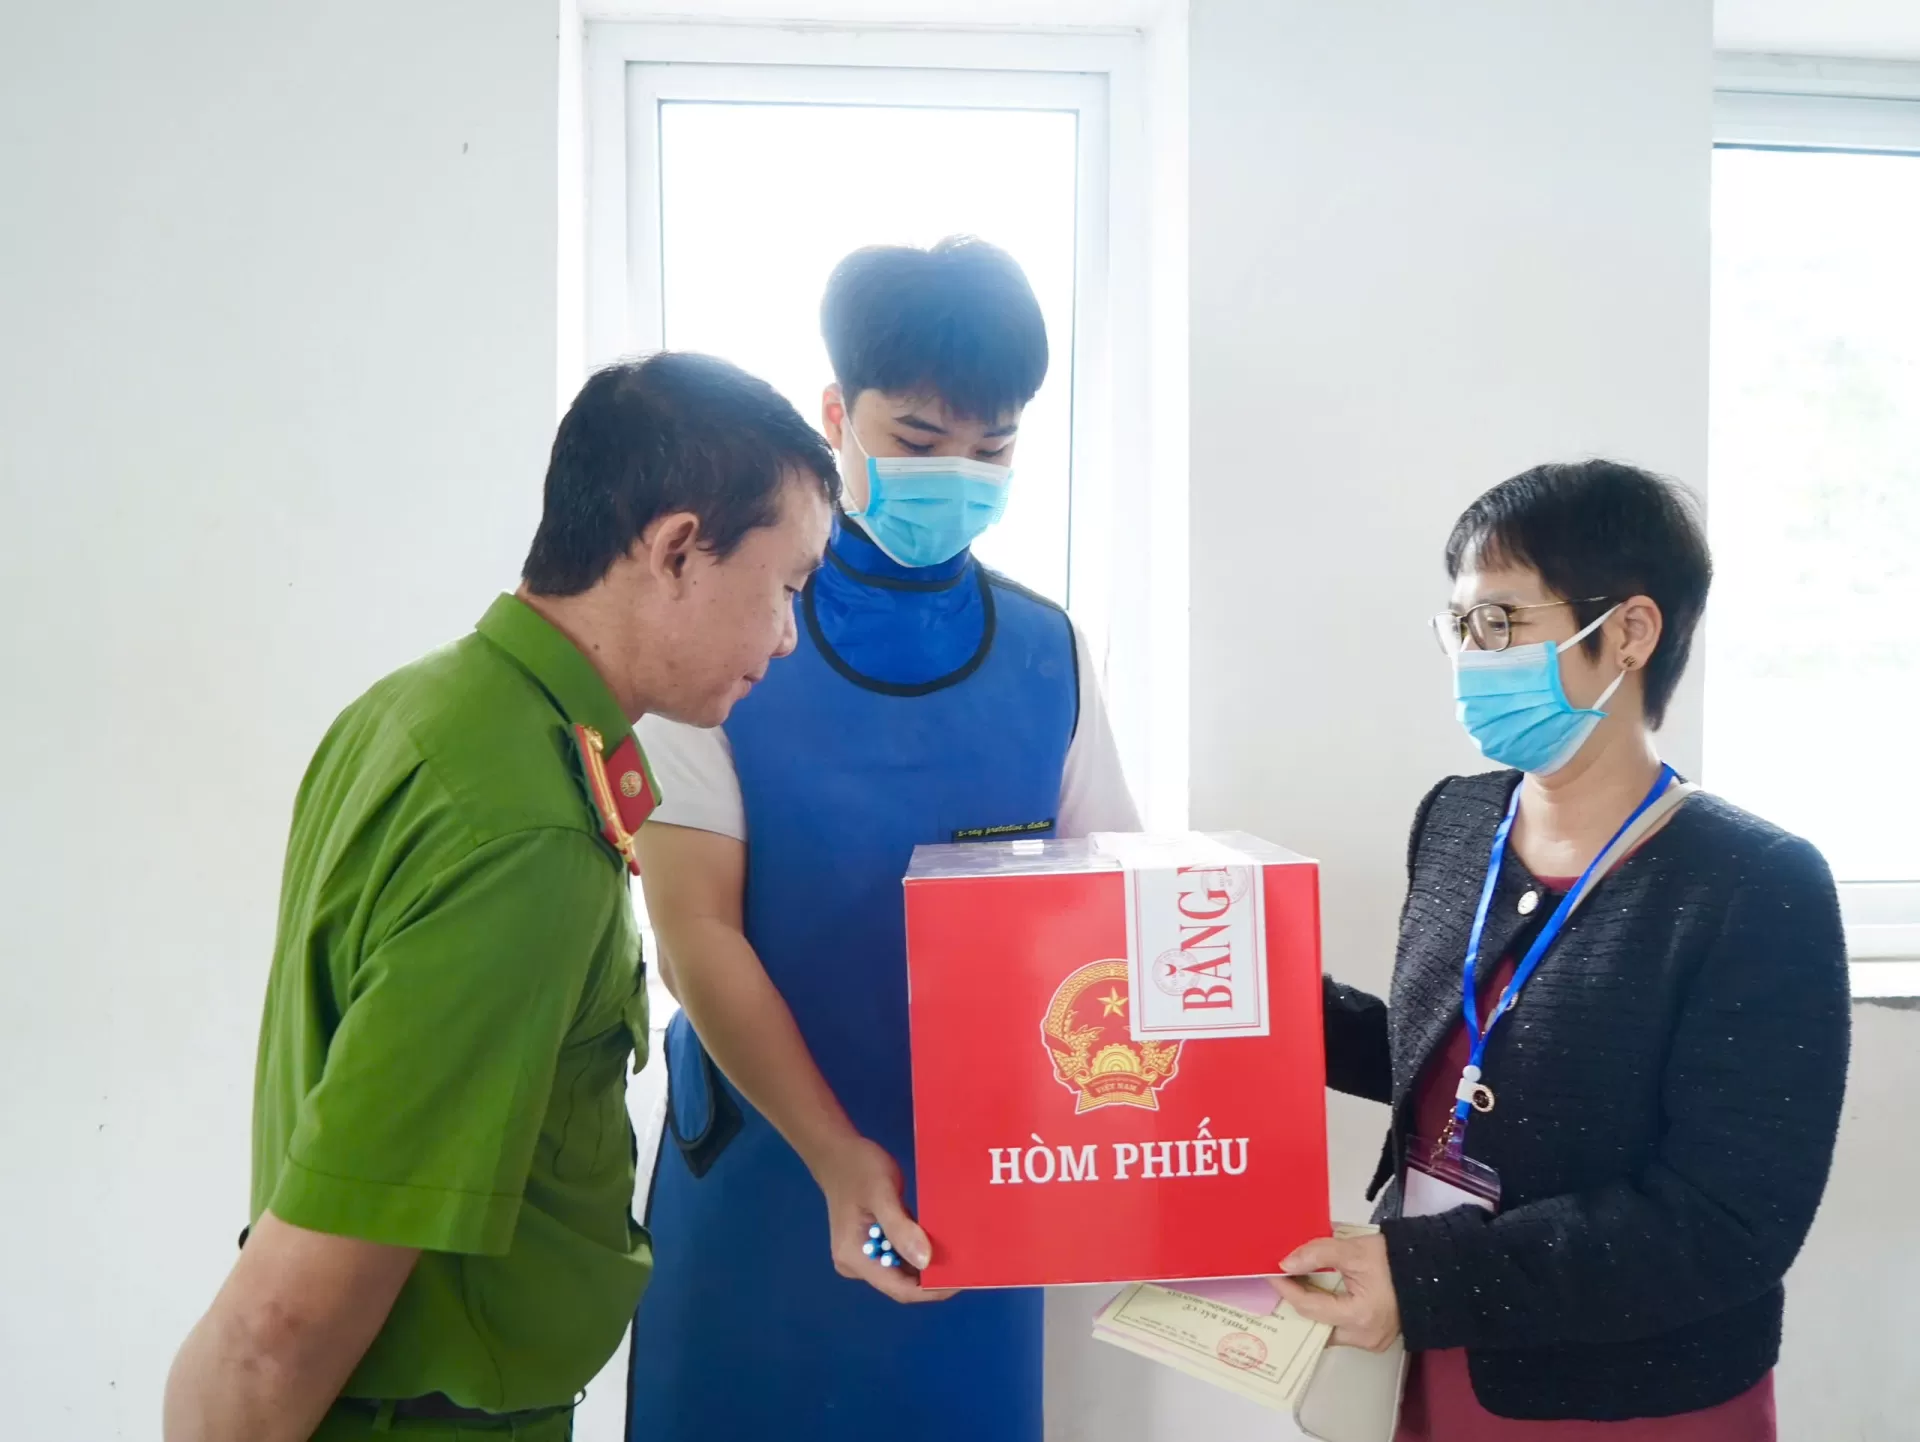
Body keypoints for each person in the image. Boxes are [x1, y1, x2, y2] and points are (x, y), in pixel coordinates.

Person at [162, 353, 838, 1442]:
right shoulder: (528, 828)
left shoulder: (421, 710)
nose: (787, 635)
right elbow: (276, 1324)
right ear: (675, 548)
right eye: (788, 584)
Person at [625, 237, 1140, 1441]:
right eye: (917, 441)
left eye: (993, 447)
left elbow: (1111, 915)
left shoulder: (1046, 650)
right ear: (834, 417)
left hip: (980, 1192)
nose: (957, 472)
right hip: (761, 1163)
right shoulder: (726, 632)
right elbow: (693, 928)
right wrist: (834, 1151)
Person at [1275, 460, 1850, 1440]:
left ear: (1628, 631)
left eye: (1500, 622)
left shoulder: (1754, 882)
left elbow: (1725, 1221)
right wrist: (1254, 1006)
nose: (1469, 652)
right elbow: (1449, 1058)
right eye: (1458, 623)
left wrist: (1427, 1275)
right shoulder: (1460, 820)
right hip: (1435, 1342)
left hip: (1629, 1388)